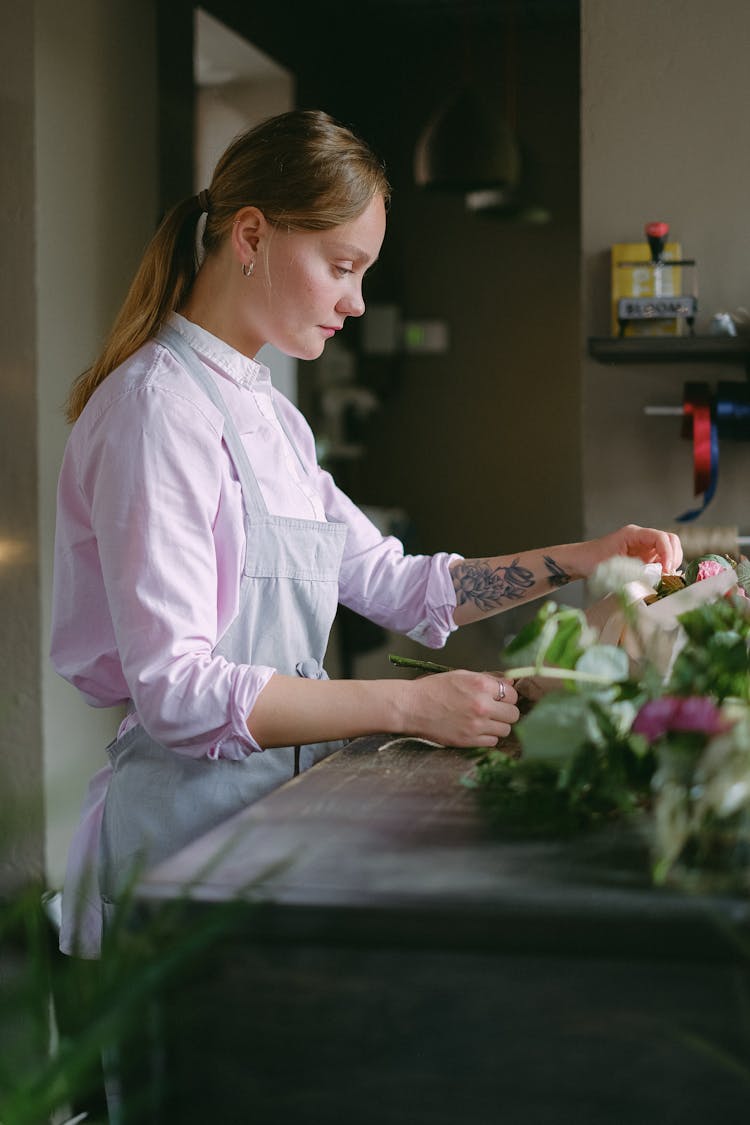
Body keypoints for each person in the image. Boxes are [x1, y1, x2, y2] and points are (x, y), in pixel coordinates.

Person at [51, 108, 682, 959]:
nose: (354, 301)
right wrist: (408, 703)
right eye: (342, 266)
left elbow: (400, 583)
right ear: (251, 236)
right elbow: (176, 690)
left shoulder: (274, 417)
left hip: (268, 838)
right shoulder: (153, 411)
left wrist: (584, 557)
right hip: (176, 860)